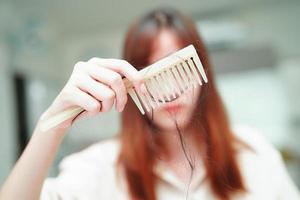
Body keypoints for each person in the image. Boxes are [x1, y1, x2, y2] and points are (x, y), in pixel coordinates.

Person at [0, 8, 299, 200]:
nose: (170, 92)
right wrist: (50, 124)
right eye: (152, 71)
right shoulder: (97, 168)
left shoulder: (255, 154)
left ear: (201, 71)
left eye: (175, 67)